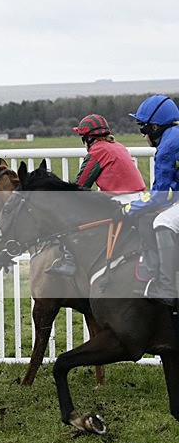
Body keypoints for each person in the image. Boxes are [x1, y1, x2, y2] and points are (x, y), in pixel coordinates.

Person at [46, 114, 146, 276]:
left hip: (120, 200)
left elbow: (80, 185)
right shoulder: (118, 146)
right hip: (138, 198)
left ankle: (69, 261)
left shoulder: (98, 150)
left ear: (88, 138)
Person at [124, 95, 179, 306]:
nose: (143, 135)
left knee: (162, 221)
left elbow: (160, 195)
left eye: (143, 128)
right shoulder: (174, 136)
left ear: (155, 127)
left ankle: (166, 287)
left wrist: (132, 207)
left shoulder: (167, 146)